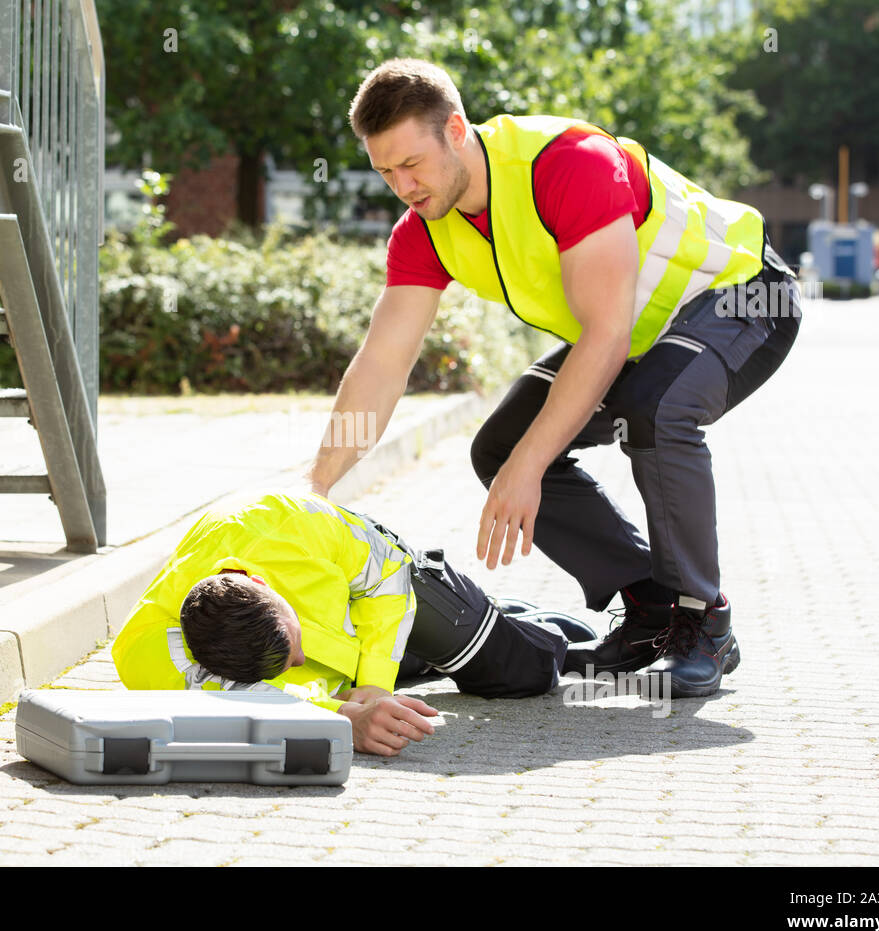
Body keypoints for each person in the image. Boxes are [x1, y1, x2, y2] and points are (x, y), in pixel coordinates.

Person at [304, 59, 802, 699]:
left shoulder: (568, 164)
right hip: (639, 334)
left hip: (744, 295)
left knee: (656, 408)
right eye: (385, 172)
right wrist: (315, 488)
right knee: (500, 447)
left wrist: (530, 468)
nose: (402, 186)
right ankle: (651, 609)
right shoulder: (425, 230)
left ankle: (703, 620)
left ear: (455, 129)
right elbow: (381, 362)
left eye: (412, 164)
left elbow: (606, 337)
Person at [111, 491, 594, 757]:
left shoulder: (292, 523)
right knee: (432, 667)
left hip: (396, 587)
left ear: (256, 580)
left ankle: (529, 625)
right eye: (285, 665)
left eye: (292, 645)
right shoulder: (148, 654)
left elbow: (385, 579)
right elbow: (232, 703)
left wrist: (375, 688)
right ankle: (466, 636)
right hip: (345, 659)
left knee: (523, 673)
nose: (296, 663)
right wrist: (341, 713)